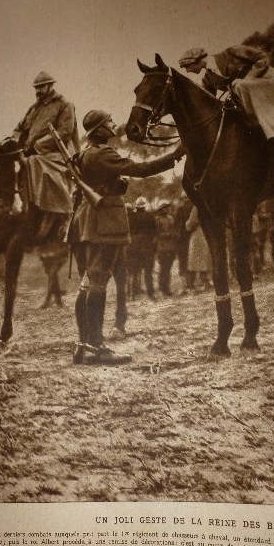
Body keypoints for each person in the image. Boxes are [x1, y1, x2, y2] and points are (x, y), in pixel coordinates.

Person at [69, 109, 183, 365]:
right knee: (98, 281)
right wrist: (174, 156)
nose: (113, 124)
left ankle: (83, 344)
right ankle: (95, 347)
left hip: (91, 219)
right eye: (108, 122)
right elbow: (139, 169)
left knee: (88, 281)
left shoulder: (87, 153)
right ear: (98, 130)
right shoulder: (103, 153)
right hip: (105, 220)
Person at [13, 71, 80, 235]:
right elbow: (18, 129)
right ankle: (23, 206)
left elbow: (65, 132)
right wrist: (13, 143)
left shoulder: (65, 104)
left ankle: (66, 214)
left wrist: (37, 145)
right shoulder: (33, 108)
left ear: (51, 86)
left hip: (60, 153)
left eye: (41, 87)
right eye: (36, 88)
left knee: (38, 163)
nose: (38, 91)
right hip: (33, 153)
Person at [127, 196, 157, 300]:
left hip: (134, 247)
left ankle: (132, 295)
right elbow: (154, 232)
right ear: (144, 206)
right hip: (147, 246)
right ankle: (151, 294)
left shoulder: (131, 217)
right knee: (148, 272)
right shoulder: (149, 216)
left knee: (134, 271)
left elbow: (128, 232)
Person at [154, 200, 179, 297]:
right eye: (164, 207)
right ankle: (163, 287)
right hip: (162, 246)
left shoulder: (170, 218)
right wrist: (167, 234)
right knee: (164, 268)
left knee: (168, 268)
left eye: (167, 207)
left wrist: (174, 235)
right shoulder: (157, 219)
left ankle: (165, 287)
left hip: (171, 246)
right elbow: (157, 233)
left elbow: (174, 229)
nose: (166, 209)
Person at [184, 205, 212, 293]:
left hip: (198, 234)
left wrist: (189, 224)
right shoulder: (209, 204)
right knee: (203, 259)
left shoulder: (196, 207)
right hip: (207, 233)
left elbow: (189, 224)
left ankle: (192, 284)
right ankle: (205, 281)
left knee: (194, 259)